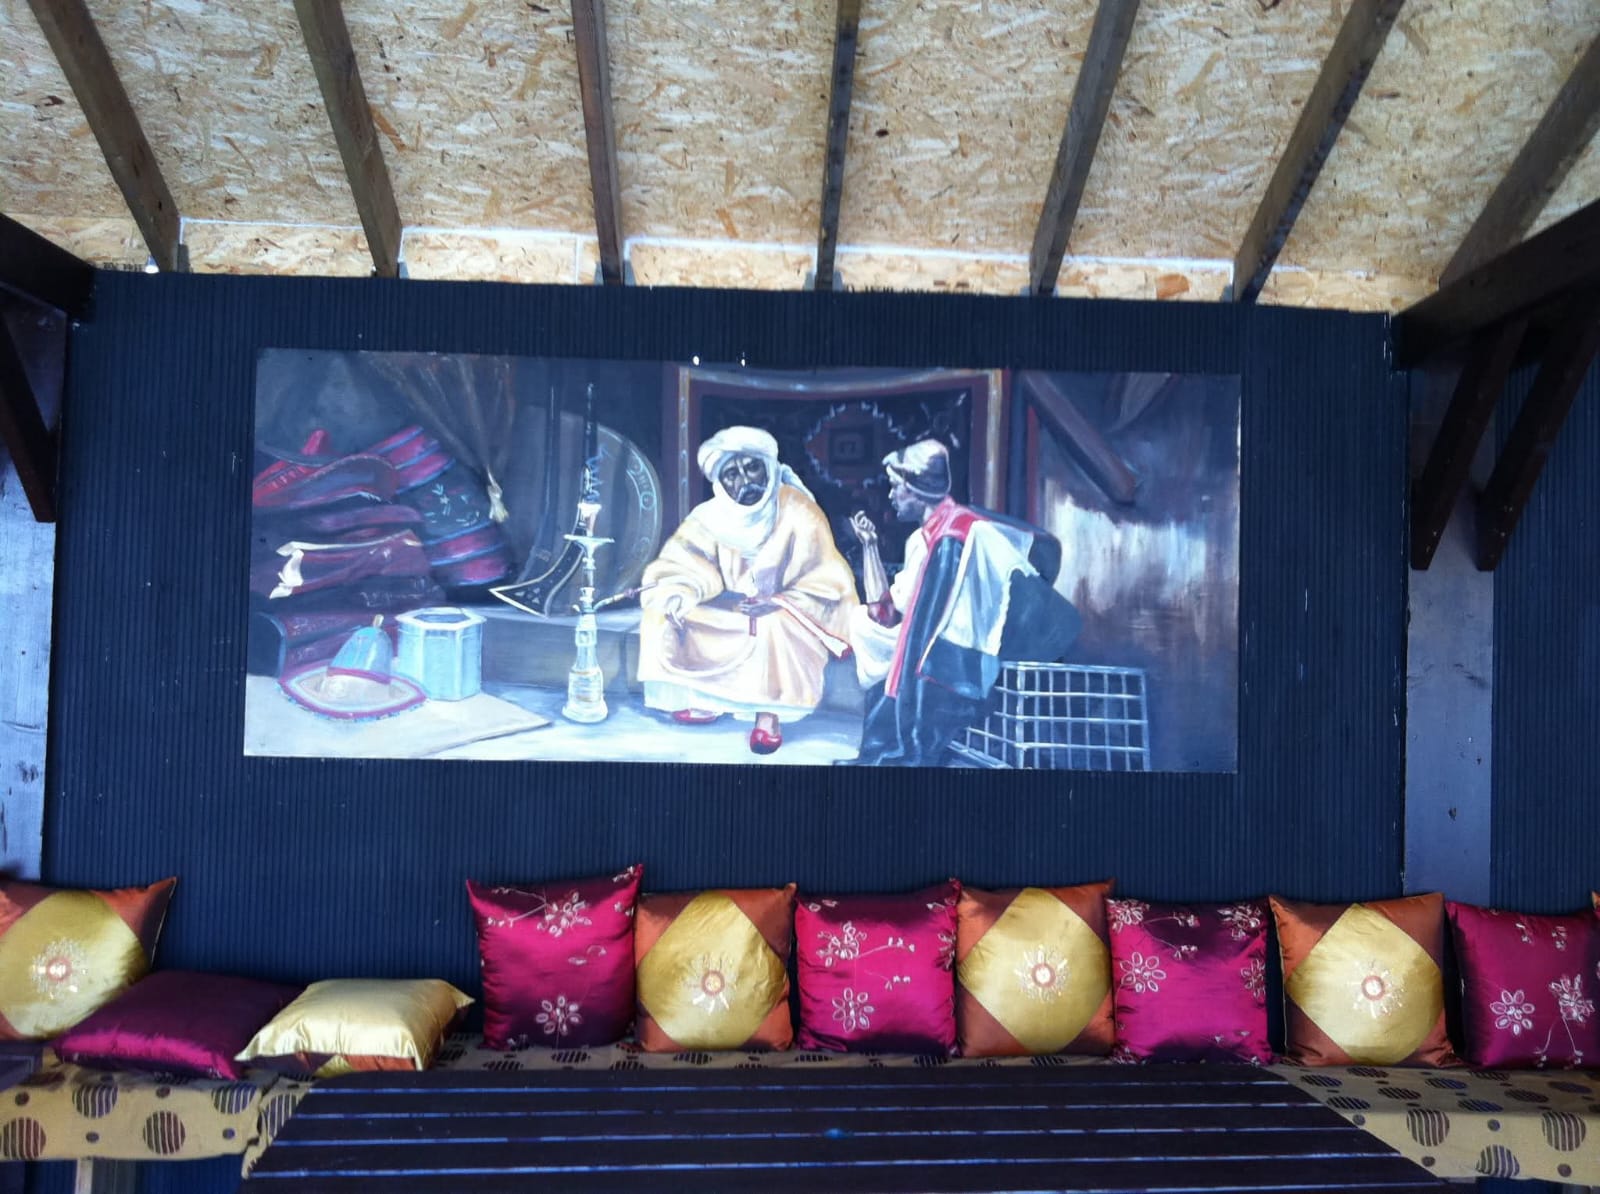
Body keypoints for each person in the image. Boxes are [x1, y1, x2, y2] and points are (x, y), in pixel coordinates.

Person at [845, 439, 1081, 766]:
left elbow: (925, 629)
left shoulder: (953, 538)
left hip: (971, 653)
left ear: (917, 490)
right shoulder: (925, 538)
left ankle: (905, 748)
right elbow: (885, 612)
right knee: (864, 624)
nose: (890, 495)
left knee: (888, 650)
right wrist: (869, 546)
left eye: (896, 487)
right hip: (942, 644)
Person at [637, 426, 857, 754]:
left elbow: (826, 578)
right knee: (665, 613)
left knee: (772, 625)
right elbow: (684, 565)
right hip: (734, 607)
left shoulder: (798, 510)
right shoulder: (708, 516)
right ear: (721, 483)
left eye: (752, 467)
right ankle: (706, 700)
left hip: (787, 610)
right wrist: (681, 593)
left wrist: (779, 602)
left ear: (767, 467)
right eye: (732, 474)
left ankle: (768, 715)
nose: (744, 480)